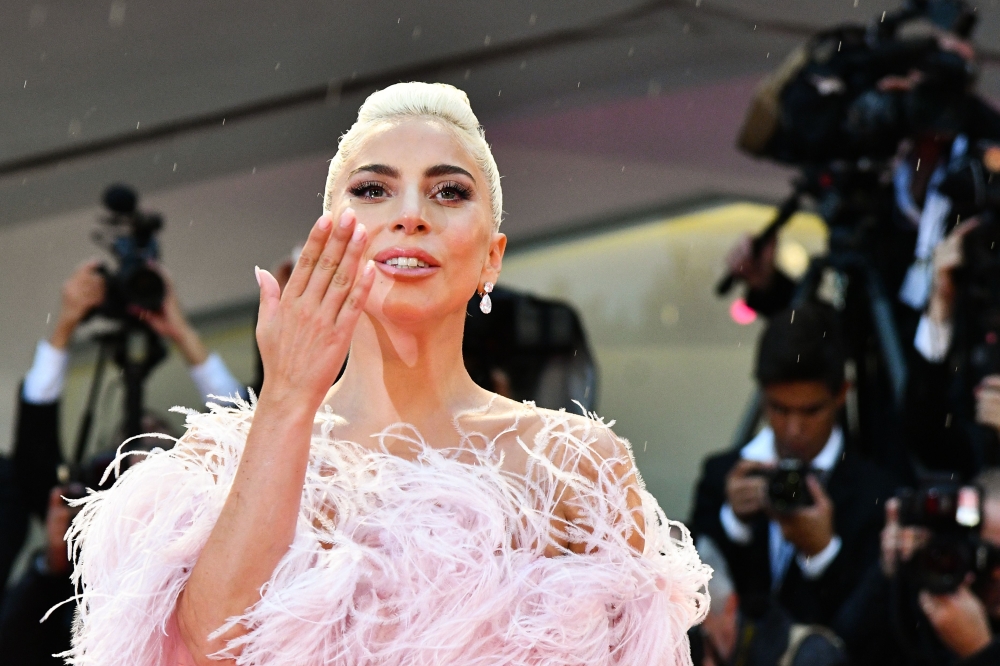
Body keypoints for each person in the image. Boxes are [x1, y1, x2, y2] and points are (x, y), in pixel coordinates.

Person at [64, 82, 710, 665]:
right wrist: (287, 398)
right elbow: (207, 650)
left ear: (492, 257)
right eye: (373, 190)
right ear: (327, 235)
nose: (411, 215)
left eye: (449, 191)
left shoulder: (574, 467)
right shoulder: (217, 464)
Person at [1, 261, 243, 594]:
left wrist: (182, 333)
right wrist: (64, 325)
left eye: (159, 440)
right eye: (131, 444)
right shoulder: (88, 537)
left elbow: (246, 432)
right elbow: (35, 458)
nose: (144, 448)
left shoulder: (216, 518)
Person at [691, 304, 893, 664]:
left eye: (811, 411)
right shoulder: (721, 476)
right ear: (762, 395)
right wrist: (733, 524)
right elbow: (692, 602)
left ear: (842, 394)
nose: (793, 429)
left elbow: (876, 635)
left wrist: (824, 554)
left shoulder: (875, 492)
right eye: (779, 409)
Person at [880, 469, 1000, 665]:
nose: (997, 574)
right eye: (986, 556)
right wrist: (894, 574)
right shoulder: (922, 607)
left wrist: (980, 652)